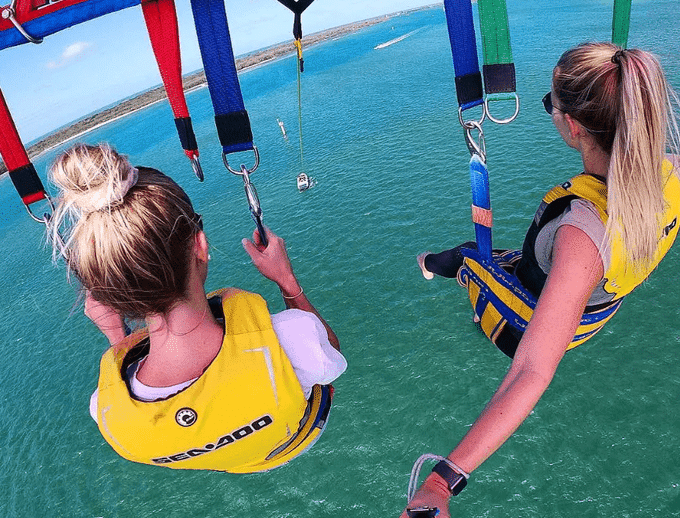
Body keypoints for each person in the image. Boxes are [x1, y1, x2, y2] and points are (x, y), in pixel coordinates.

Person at [403, 43, 680, 516]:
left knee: (469, 257)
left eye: (550, 104)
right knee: (508, 257)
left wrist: (440, 484)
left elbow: (532, 371)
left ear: (572, 126)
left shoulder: (582, 233)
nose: (550, 112)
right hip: (588, 306)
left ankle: (427, 263)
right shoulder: (671, 171)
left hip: (525, 323)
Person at [49, 143, 346, 473]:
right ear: (200, 245)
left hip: (236, 462)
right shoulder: (291, 339)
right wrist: (287, 281)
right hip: (298, 433)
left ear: (111, 292)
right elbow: (331, 353)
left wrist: (119, 339)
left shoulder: (107, 411)